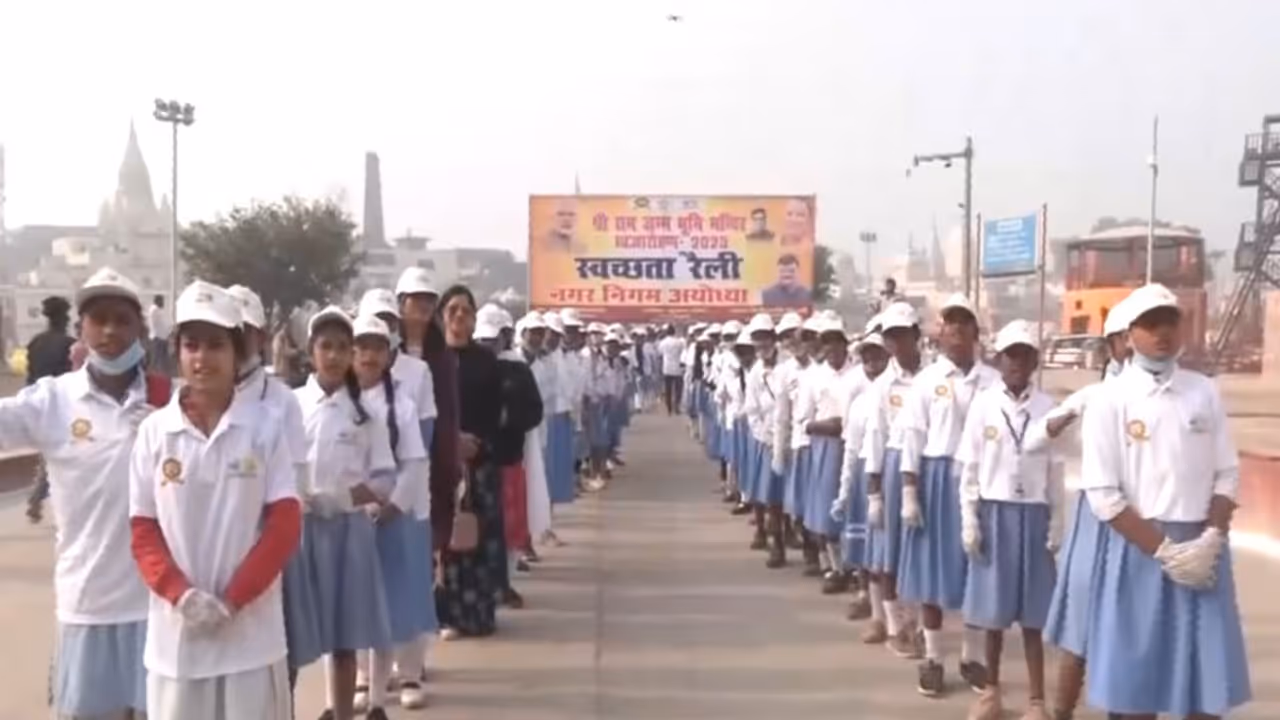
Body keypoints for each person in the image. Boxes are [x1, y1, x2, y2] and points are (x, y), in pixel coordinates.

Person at [129, 280, 301, 720]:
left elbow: (284, 525)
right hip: (177, 643)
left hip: (251, 640)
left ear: (237, 351)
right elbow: (143, 530)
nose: (202, 358)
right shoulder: (154, 433)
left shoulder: (264, 428)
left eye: (215, 345)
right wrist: (180, 594)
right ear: (177, 351)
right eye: (191, 345)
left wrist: (235, 598)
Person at [1079, 283, 1250, 719]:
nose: (1162, 333)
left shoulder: (1203, 391)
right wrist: (1165, 551)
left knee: (1204, 693)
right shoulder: (1109, 400)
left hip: (1202, 553)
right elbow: (1103, 495)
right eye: (1150, 324)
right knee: (1136, 694)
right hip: (1140, 551)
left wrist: (1211, 537)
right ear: (1129, 334)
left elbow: (1227, 472)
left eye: (1170, 322)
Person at [1, 268, 157, 720]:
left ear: (141, 331)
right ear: (80, 329)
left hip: (158, 605)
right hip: (88, 605)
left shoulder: (169, 402)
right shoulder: (53, 400)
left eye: (122, 320)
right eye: (98, 319)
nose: (110, 331)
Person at [1025, 294, 1133, 720]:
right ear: (1111, 345)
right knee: (1080, 622)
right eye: (1124, 337)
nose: (1133, 345)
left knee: (1129, 626)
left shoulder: (1171, 395)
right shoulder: (1093, 395)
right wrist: (1063, 418)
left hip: (1142, 517)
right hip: (1096, 517)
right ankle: (1061, 711)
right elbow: (1036, 440)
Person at [957, 320, 1063, 720]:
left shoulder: (1049, 408)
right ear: (999, 360)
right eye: (1010, 355)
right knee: (994, 615)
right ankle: (991, 692)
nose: (1017, 362)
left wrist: (1057, 520)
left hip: (1033, 513)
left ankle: (1036, 701)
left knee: (1033, 617)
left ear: (1035, 360)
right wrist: (969, 518)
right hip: (995, 511)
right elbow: (970, 467)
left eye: (1024, 355)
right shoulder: (984, 404)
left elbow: (1056, 469)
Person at [895, 293, 1000, 697]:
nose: (956, 330)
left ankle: (972, 657)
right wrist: (909, 491)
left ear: (975, 330)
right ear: (940, 332)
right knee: (933, 572)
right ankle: (934, 658)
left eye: (963, 322)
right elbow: (912, 438)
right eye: (949, 323)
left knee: (976, 569)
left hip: (981, 480)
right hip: (937, 479)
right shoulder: (927, 381)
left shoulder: (992, 381)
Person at [295, 305, 397, 720]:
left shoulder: (365, 415)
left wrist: (345, 499)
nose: (334, 356)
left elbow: (385, 479)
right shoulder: (291, 406)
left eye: (342, 347)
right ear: (311, 352)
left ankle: (341, 712)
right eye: (326, 347)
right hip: (298, 532)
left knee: (344, 637)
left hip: (348, 535)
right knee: (291, 634)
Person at [352, 287, 439, 708]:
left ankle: (409, 674)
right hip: (354, 513)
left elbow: (419, 450)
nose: (369, 354)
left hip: (402, 507)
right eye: (362, 344)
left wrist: (395, 502)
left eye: (384, 330)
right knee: (359, 595)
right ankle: (364, 676)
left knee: (404, 591)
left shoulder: (412, 382)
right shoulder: (341, 398)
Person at [436, 286, 537, 639]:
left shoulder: (487, 363)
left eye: (466, 310)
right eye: (452, 309)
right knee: (445, 542)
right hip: (440, 466)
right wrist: (450, 442)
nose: (459, 316)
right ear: (442, 316)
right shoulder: (430, 362)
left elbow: (501, 413)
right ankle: (447, 615)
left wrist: (479, 444)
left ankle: (479, 613)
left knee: (478, 539)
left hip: (480, 464)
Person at [860, 301, 924, 655]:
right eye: (891, 337)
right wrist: (874, 493)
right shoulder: (884, 385)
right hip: (894, 467)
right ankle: (895, 627)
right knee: (889, 554)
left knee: (922, 551)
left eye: (902, 334)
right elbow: (876, 437)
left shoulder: (933, 377)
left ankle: (918, 623)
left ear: (916, 334)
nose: (896, 343)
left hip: (929, 467)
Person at [395, 268, 460, 575]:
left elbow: (449, 408)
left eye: (429, 300)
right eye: (416, 299)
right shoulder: (387, 350)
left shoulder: (441, 354)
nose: (423, 307)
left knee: (430, 529)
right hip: (393, 454)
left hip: (433, 452)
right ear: (401, 302)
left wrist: (450, 455)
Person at [797, 317, 865, 593]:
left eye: (837, 342)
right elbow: (803, 419)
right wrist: (827, 426)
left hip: (854, 445)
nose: (833, 348)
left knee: (854, 508)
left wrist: (843, 426)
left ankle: (855, 567)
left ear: (845, 344)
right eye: (827, 343)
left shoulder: (858, 374)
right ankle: (836, 567)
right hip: (825, 445)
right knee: (828, 512)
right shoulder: (813, 377)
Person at [833, 321, 890, 620]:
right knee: (864, 542)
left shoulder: (901, 395)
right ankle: (866, 597)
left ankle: (896, 615)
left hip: (890, 474)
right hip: (863, 475)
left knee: (888, 546)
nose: (872, 363)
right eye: (867, 357)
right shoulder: (859, 404)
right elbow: (851, 449)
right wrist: (844, 491)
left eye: (878, 356)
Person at [774, 315, 823, 566]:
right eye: (789, 338)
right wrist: (778, 451)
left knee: (819, 500)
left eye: (803, 337)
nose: (796, 343)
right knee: (801, 501)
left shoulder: (820, 368)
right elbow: (782, 414)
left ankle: (823, 554)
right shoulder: (784, 372)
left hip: (825, 443)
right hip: (800, 443)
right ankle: (808, 550)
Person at [23, 295, 76, 523]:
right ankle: (40, 497)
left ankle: (38, 497)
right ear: (63, 317)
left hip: (37, 405)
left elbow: (29, 377)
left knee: (50, 454)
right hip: (63, 407)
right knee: (60, 456)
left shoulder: (35, 342)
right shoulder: (69, 345)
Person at [742, 313, 788, 567]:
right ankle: (776, 544)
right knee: (770, 498)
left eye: (765, 337)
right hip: (766, 439)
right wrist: (765, 437)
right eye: (757, 339)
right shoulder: (755, 372)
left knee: (790, 496)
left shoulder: (787, 365)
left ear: (773, 338)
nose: (761, 344)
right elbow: (752, 410)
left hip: (790, 438)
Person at [656, 323, 686, 416]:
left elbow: (659, 354)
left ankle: (669, 407)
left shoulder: (663, 342)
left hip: (667, 368)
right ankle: (677, 406)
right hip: (677, 368)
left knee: (668, 389)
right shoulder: (679, 342)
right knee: (678, 389)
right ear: (674, 332)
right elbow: (683, 352)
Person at [147, 294, 172, 376]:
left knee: (160, 359)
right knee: (157, 359)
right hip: (158, 338)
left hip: (161, 337)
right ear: (157, 301)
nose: (163, 303)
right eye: (162, 301)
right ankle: (153, 375)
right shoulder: (155, 310)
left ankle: (160, 375)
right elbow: (156, 324)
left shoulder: (157, 310)